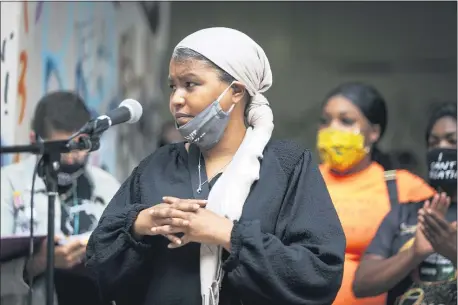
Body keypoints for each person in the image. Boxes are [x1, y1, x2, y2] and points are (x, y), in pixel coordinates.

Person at [86, 27, 346, 305]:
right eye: (173, 86)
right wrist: (140, 225)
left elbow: (320, 273)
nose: (176, 99)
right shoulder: (156, 166)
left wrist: (228, 235)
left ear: (235, 91)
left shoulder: (287, 165)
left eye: (190, 84)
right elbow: (96, 265)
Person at [316, 82, 436, 305]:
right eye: (325, 121)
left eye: (346, 121)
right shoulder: (303, 181)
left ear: (374, 132)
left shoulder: (400, 185)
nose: (332, 129)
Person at [0, 91, 121, 305]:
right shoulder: (8, 184)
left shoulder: (108, 186)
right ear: (33, 140)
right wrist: (41, 261)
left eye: (80, 146)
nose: (73, 156)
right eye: (63, 148)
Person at [353, 102, 457, 305]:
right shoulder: (404, 213)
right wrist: (413, 253)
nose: (441, 149)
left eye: (452, 141)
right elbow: (361, 284)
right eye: (434, 143)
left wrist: (454, 251)